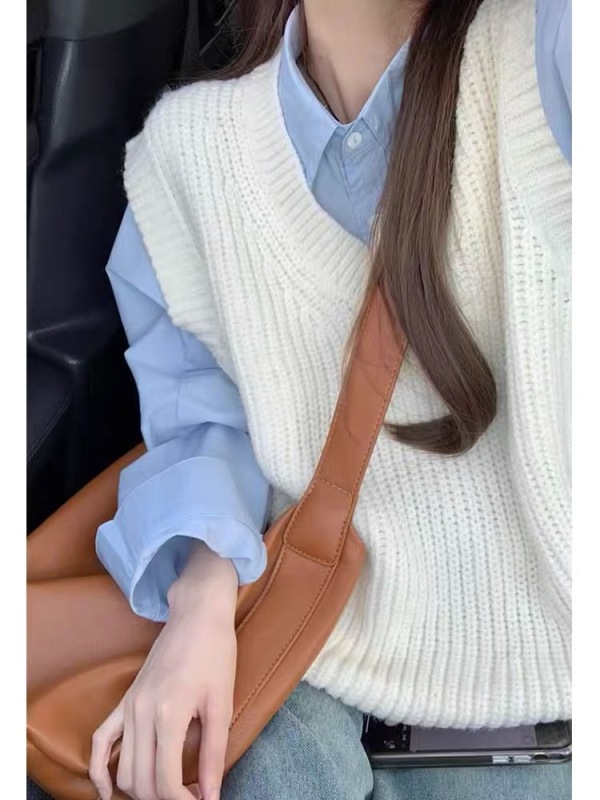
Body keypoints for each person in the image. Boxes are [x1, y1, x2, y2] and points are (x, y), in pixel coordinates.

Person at [89, 1, 572, 798]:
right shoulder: (186, 155)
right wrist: (202, 597)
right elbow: (205, 422)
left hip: (551, 730)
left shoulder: (542, 59)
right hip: (309, 699)